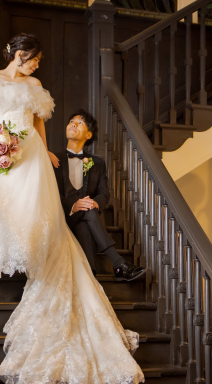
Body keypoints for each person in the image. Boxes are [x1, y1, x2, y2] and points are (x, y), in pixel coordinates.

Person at [0, 33, 144, 384]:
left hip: (31, 153)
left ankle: (33, 251)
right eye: (35, 59)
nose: (38, 65)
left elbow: (39, 122)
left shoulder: (35, 85)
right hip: (2, 150)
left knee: (37, 209)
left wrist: (45, 151)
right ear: (20, 55)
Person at [53, 110, 146, 281]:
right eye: (71, 121)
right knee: (87, 215)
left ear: (88, 134)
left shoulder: (98, 163)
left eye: (79, 123)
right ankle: (118, 264)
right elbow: (50, 194)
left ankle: (90, 276)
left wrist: (95, 203)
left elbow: (104, 193)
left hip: (86, 219)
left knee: (85, 222)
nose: (73, 124)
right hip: (62, 217)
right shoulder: (53, 160)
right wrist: (73, 206)